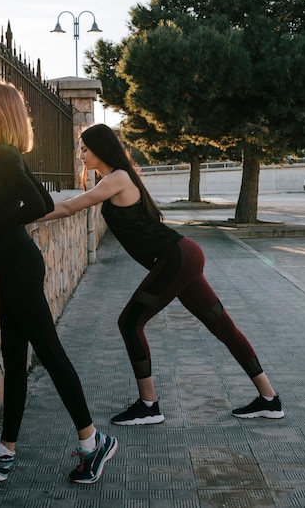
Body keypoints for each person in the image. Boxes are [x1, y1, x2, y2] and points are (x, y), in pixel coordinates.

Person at [38, 123, 284, 425]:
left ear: (101, 149)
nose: (81, 155)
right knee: (222, 326)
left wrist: (16, 217)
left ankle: (149, 406)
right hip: (183, 256)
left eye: (85, 149)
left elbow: (69, 207)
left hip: (177, 258)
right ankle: (270, 400)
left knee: (129, 322)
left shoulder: (117, 178)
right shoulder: (113, 179)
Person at [0, 82, 117, 484]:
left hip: (21, 268)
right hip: (14, 267)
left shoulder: (4, 154)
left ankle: (93, 443)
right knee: (14, 360)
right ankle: (5, 453)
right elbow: (21, 199)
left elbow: (39, 205)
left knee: (50, 355)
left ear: (2, 112)